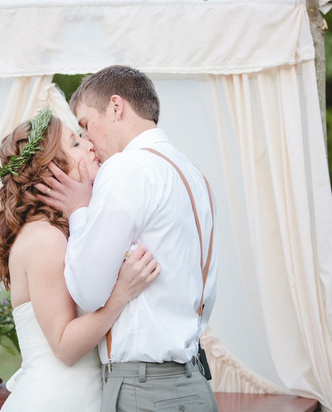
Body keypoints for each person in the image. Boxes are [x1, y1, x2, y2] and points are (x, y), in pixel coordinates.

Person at [37, 65, 218, 412]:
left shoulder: (128, 168)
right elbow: (207, 294)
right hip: (192, 383)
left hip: (146, 390)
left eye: (87, 125)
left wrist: (78, 210)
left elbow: (87, 293)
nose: (88, 141)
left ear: (116, 107)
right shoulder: (194, 176)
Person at [0, 110, 161, 412]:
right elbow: (65, 346)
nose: (89, 145)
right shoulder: (44, 238)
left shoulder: (66, 229)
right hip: (56, 401)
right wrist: (122, 292)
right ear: (50, 171)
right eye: (74, 143)